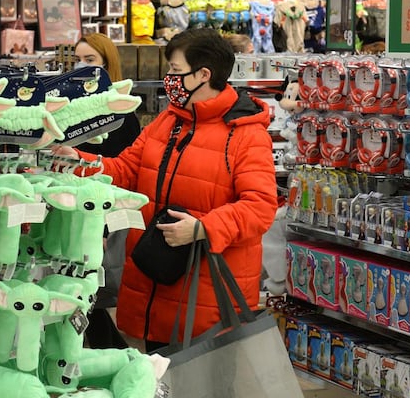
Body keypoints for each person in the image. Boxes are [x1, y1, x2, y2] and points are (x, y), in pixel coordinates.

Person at [56, 28, 277, 351]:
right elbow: (126, 169)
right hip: (155, 279)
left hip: (207, 290)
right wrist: (78, 161)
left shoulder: (245, 134)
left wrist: (203, 228)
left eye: (175, 70)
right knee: (159, 371)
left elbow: (260, 206)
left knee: (204, 377)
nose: (169, 79)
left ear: (203, 74)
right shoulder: (168, 121)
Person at [72, 32, 141, 349]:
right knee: (81, 295)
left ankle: (115, 355)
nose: (82, 66)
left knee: (93, 295)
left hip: (102, 213)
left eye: (90, 60)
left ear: (107, 64)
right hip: (72, 209)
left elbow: (123, 172)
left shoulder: (121, 112)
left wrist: (103, 225)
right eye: (77, 60)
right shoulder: (73, 108)